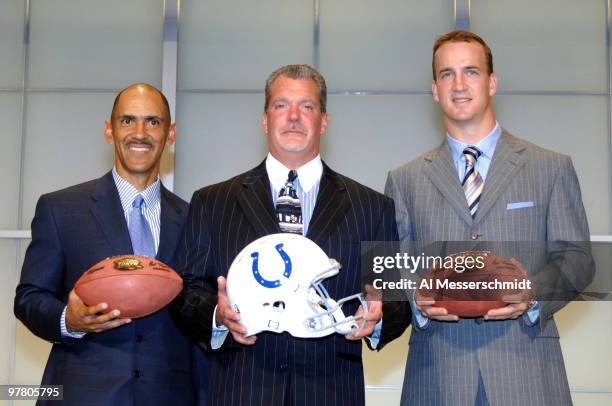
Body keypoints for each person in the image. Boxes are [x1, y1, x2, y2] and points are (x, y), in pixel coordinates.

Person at [170, 64, 402, 406]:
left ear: (324, 121)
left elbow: (396, 298)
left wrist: (380, 317)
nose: (293, 117)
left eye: (306, 106)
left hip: (331, 393)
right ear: (265, 120)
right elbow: (186, 289)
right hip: (241, 390)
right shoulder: (212, 202)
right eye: (281, 105)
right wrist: (219, 317)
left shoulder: (373, 207)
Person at [382, 31, 593, 405]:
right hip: (437, 377)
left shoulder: (550, 168)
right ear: (434, 89)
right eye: (447, 74)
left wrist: (532, 293)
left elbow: (576, 257)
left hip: (527, 373)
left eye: (471, 72)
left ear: (492, 82)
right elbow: (394, 268)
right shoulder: (405, 180)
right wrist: (416, 297)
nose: (459, 85)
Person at [14, 83, 206, 405]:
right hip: (83, 394)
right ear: (109, 130)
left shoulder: (194, 217)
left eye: (153, 122)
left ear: (170, 134)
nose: (140, 132)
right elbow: (29, 298)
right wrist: (68, 320)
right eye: (127, 121)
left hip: (169, 395)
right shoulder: (61, 209)